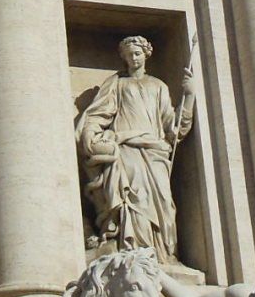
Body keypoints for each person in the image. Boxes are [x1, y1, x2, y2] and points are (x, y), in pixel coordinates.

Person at [75, 36, 195, 265]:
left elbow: (175, 127)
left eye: (137, 53)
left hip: (155, 152)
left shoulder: (158, 86)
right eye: (128, 55)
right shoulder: (117, 84)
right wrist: (91, 135)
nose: (133, 58)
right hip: (126, 149)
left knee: (163, 204)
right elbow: (99, 114)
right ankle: (130, 250)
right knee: (132, 199)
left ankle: (162, 255)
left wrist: (189, 95)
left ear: (146, 54)